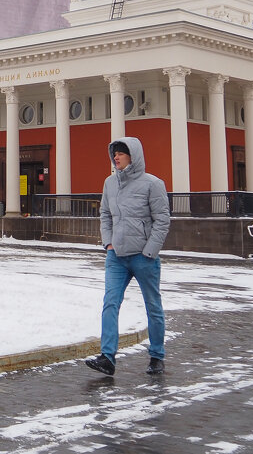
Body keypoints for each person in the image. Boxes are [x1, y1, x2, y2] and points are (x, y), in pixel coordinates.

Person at [85, 137, 171, 377]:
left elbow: (162, 220)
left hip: (144, 257)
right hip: (116, 257)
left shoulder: (153, 184)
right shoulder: (110, 183)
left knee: (152, 306)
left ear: (133, 155)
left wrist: (150, 251)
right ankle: (107, 358)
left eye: (121, 153)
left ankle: (156, 355)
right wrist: (108, 243)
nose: (116, 157)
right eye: (114, 153)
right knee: (110, 303)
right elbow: (105, 214)